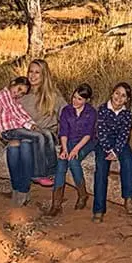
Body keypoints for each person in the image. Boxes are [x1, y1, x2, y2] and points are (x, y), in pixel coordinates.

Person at [0, 76, 50, 204]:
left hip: (16, 130)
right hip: (9, 131)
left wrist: (33, 124)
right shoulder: (3, 95)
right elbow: (14, 114)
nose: (19, 93)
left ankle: (19, 190)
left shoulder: (14, 99)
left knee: (25, 144)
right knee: (38, 137)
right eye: (19, 89)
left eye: (22, 93)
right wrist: (31, 126)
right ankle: (39, 173)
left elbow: (22, 113)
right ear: (12, 83)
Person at [47, 83, 97, 216]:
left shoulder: (91, 112)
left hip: (86, 142)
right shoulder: (66, 110)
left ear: (87, 100)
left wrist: (75, 150)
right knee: (61, 164)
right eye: (74, 97)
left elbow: (88, 134)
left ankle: (82, 195)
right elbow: (63, 132)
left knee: (74, 161)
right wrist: (64, 149)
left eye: (80, 99)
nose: (75, 101)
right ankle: (56, 203)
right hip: (69, 141)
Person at [92, 82, 132, 222]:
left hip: (120, 143)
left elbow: (124, 134)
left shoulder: (127, 114)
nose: (119, 97)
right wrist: (107, 150)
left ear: (127, 100)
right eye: (117, 93)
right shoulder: (103, 110)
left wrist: (116, 151)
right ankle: (99, 209)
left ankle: (128, 198)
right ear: (112, 93)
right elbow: (100, 132)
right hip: (103, 142)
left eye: (123, 96)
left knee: (129, 159)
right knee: (101, 168)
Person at [20, 58, 67, 185]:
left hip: (48, 135)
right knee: (24, 144)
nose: (32, 75)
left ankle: (51, 171)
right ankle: (23, 187)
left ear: (44, 75)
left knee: (43, 135)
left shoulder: (52, 95)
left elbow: (67, 115)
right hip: (27, 134)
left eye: (37, 72)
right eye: (31, 71)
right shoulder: (22, 94)